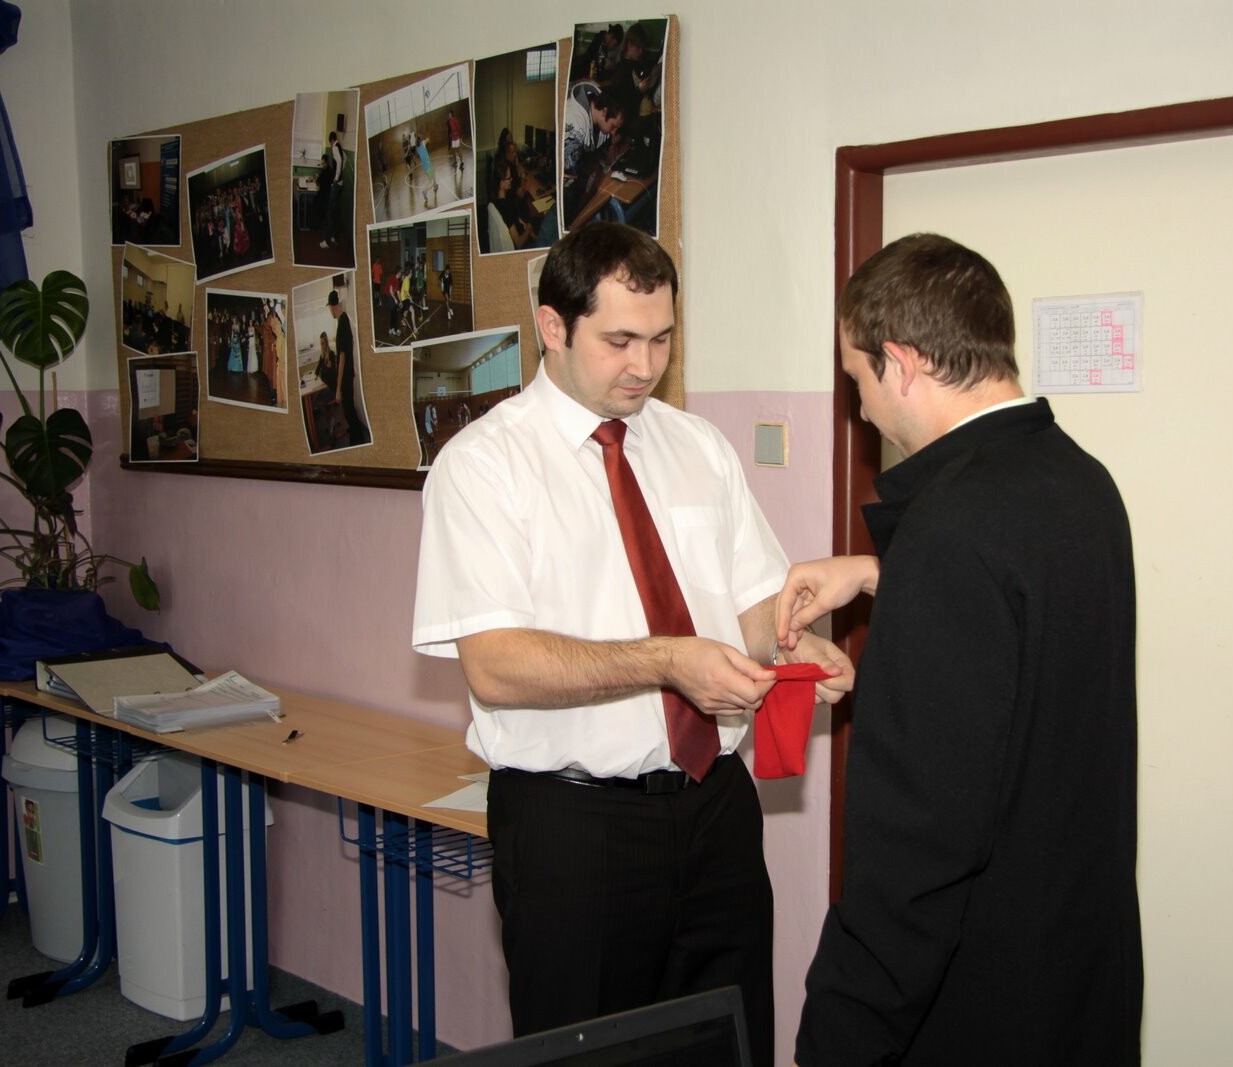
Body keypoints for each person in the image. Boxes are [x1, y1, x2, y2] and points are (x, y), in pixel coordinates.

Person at [410, 223, 853, 1067]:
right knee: (587, 1053)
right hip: (575, 823)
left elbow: (749, 604)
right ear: (552, 326)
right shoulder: (484, 466)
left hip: (714, 807)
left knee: (727, 1040)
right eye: (619, 341)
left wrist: (796, 643)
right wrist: (665, 661)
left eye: (661, 340)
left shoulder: (696, 446)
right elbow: (494, 665)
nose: (644, 366)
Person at [780, 234, 1142, 1066]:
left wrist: (835, 1040)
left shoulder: (949, 532)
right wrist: (881, 574)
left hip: (985, 1002)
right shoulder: (1081, 481)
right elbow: (1027, 634)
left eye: (858, 378)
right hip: (1079, 976)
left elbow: (914, 856)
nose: (862, 409)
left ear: (903, 364)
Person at [561, 81, 630, 223]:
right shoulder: (575, 126)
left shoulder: (599, 105)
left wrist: (611, 146)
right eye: (613, 127)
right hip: (564, 193)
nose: (614, 132)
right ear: (604, 112)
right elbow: (570, 175)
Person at [327, 290, 368, 444]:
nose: (330, 311)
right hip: (348, 375)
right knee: (349, 411)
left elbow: (342, 357)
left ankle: (358, 441)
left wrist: (338, 389)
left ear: (333, 306)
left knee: (349, 412)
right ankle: (357, 439)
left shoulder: (343, 323)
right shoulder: (343, 321)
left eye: (330, 307)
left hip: (346, 376)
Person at [320, 131, 346, 249]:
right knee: (335, 212)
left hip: (336, 184)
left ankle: (327, 241)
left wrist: (336, 177)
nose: (330, 145)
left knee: (330, 213)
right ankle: (333, 237)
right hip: (340, 184)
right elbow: (344, 159)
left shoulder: (335, 147)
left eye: (329, 143)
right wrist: (339, 176)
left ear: (331, 140)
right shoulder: (340, 147)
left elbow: (339, 161)